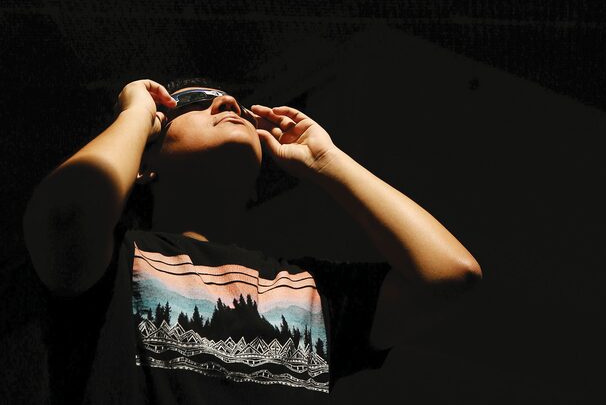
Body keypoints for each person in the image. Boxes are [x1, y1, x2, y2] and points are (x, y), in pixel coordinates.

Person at [23, 76, 482, 401]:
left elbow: (448, 275)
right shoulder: (115, 265)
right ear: (145, 163)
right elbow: (66, 213)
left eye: (237, 105)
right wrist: (137, 113)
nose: (228, 106)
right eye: (195, 102)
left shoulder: (306, 288)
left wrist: (327, 160)